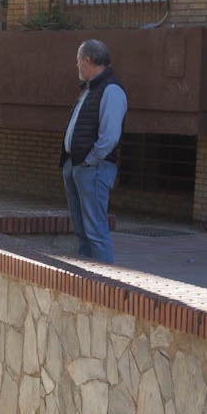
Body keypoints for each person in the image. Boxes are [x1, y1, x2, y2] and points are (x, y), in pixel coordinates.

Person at [62, 38, 127, 265]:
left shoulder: (111, 90)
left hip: (93, 168)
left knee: (96, 232)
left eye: (78, 61)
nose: (76, 66)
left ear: (87, 60)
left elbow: (109, 136)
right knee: (82, 230)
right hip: (78, 166)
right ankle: (86, 279)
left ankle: (104, 284)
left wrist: (90, 161)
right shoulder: (91, 89)